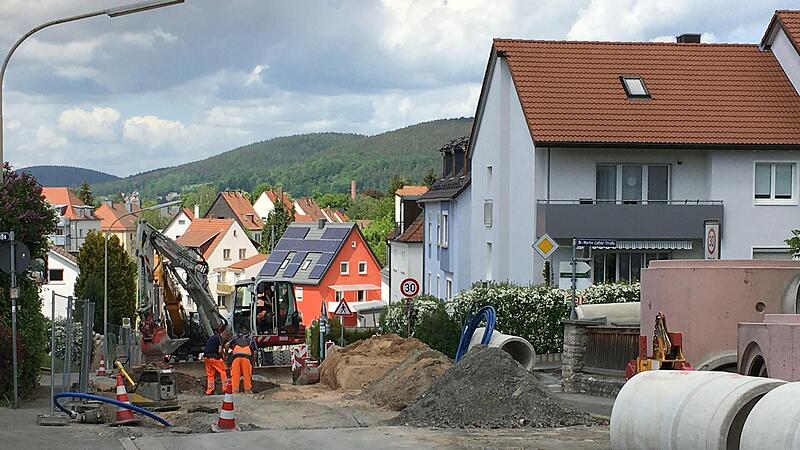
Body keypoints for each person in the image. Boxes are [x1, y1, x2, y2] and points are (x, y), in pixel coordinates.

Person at [226, 326, 257, 394]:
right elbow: (255, 352)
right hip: (246, 357)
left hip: (236, 358)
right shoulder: (251, 338)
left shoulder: (235, 337)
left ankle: (235, 390)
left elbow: (227, 344)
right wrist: (252, 362)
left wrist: (226, 354)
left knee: (235, 374)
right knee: (247, 374)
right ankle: (247, 390)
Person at [203, 324, 228, 395]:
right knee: (223, 371)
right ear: (224, 332)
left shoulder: (213, 337)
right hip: (214, 357)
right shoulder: (219, 339)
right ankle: (225, 388)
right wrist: (223, 357)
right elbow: (220, 351)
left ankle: (209, 390)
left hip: (206, 357)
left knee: (210, 374)